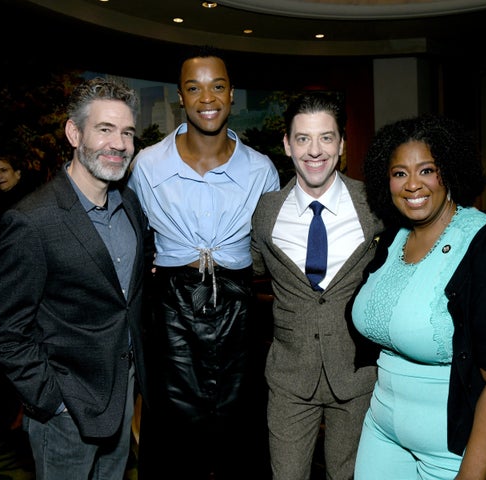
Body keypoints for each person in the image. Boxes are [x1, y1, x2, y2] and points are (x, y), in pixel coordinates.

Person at [351, 114, 486, 479]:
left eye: (427, 170)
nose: (412, 185)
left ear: (448, 172)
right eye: (400, 173)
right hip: (387, 432)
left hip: (473, 445)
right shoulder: (391, 240)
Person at [0, 77, 156, 480]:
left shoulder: (128, 203)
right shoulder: (31, 221)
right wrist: (54, 401)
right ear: (74, 133)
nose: (120, 143)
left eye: (127, 132)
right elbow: (1, 331)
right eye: (105, 129)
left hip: (123, 399)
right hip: (66, 415)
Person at [127, 45, 280, 480]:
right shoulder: (148, 165)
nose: (207, 98)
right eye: (194, 88)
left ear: (232, 94)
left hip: (239, 310)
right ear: (180, 96)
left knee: (241, 433)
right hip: (170, 310)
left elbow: (266, 250)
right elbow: (137, 238)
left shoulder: (260, 170)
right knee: (174, 438)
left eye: (217, 86)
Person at [250, 92, 383, 480]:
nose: (314, 151)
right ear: (288, 144)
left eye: (326, 138)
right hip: (289, 377)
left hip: (357, 375)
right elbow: (257, 265)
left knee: (349, 475)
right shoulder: (266, 211)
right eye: (303, 138)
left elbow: (422, 231)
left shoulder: (373, 205)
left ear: (341, 145)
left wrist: (473, 227)